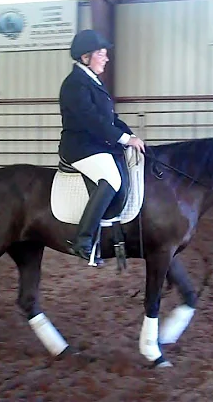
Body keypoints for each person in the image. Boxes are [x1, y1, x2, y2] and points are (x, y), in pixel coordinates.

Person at [58, 29, 146, 263]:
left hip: (96, 144)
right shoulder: (75, 84)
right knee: (112, 179)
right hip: (81, 147)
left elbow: (110, 118)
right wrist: (125, 140)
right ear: (86, 56)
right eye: (101, 54)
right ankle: (83, 240)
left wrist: (131, 136)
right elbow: (93, 121)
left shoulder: (92, 81)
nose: (106, 58)